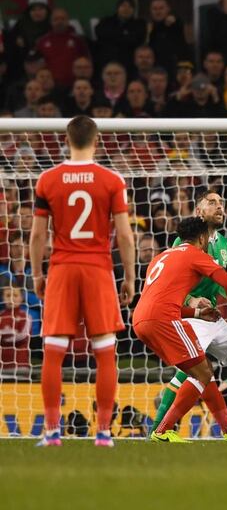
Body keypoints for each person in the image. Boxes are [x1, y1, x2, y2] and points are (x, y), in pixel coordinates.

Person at [29, 116, 136, 447]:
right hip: (98, 269)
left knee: (53, 350)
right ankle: (103, 433)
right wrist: (130, 277)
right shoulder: (111, 179)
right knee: (104, 351)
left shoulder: (48, 179)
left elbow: (37, 235)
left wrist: (37, 273)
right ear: (97, 140)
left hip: (61, 267)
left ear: (67, 139)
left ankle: (51, 432)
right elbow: (124, 235)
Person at [135, 217, 227, 443]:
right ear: (202, 238)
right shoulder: (195, 254)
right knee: (202, 372)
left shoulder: (159, 258)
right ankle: (162, 430)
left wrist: (195, 313)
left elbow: (161, 300)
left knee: (202, 371)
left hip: (141, 320)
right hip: (164, 320)